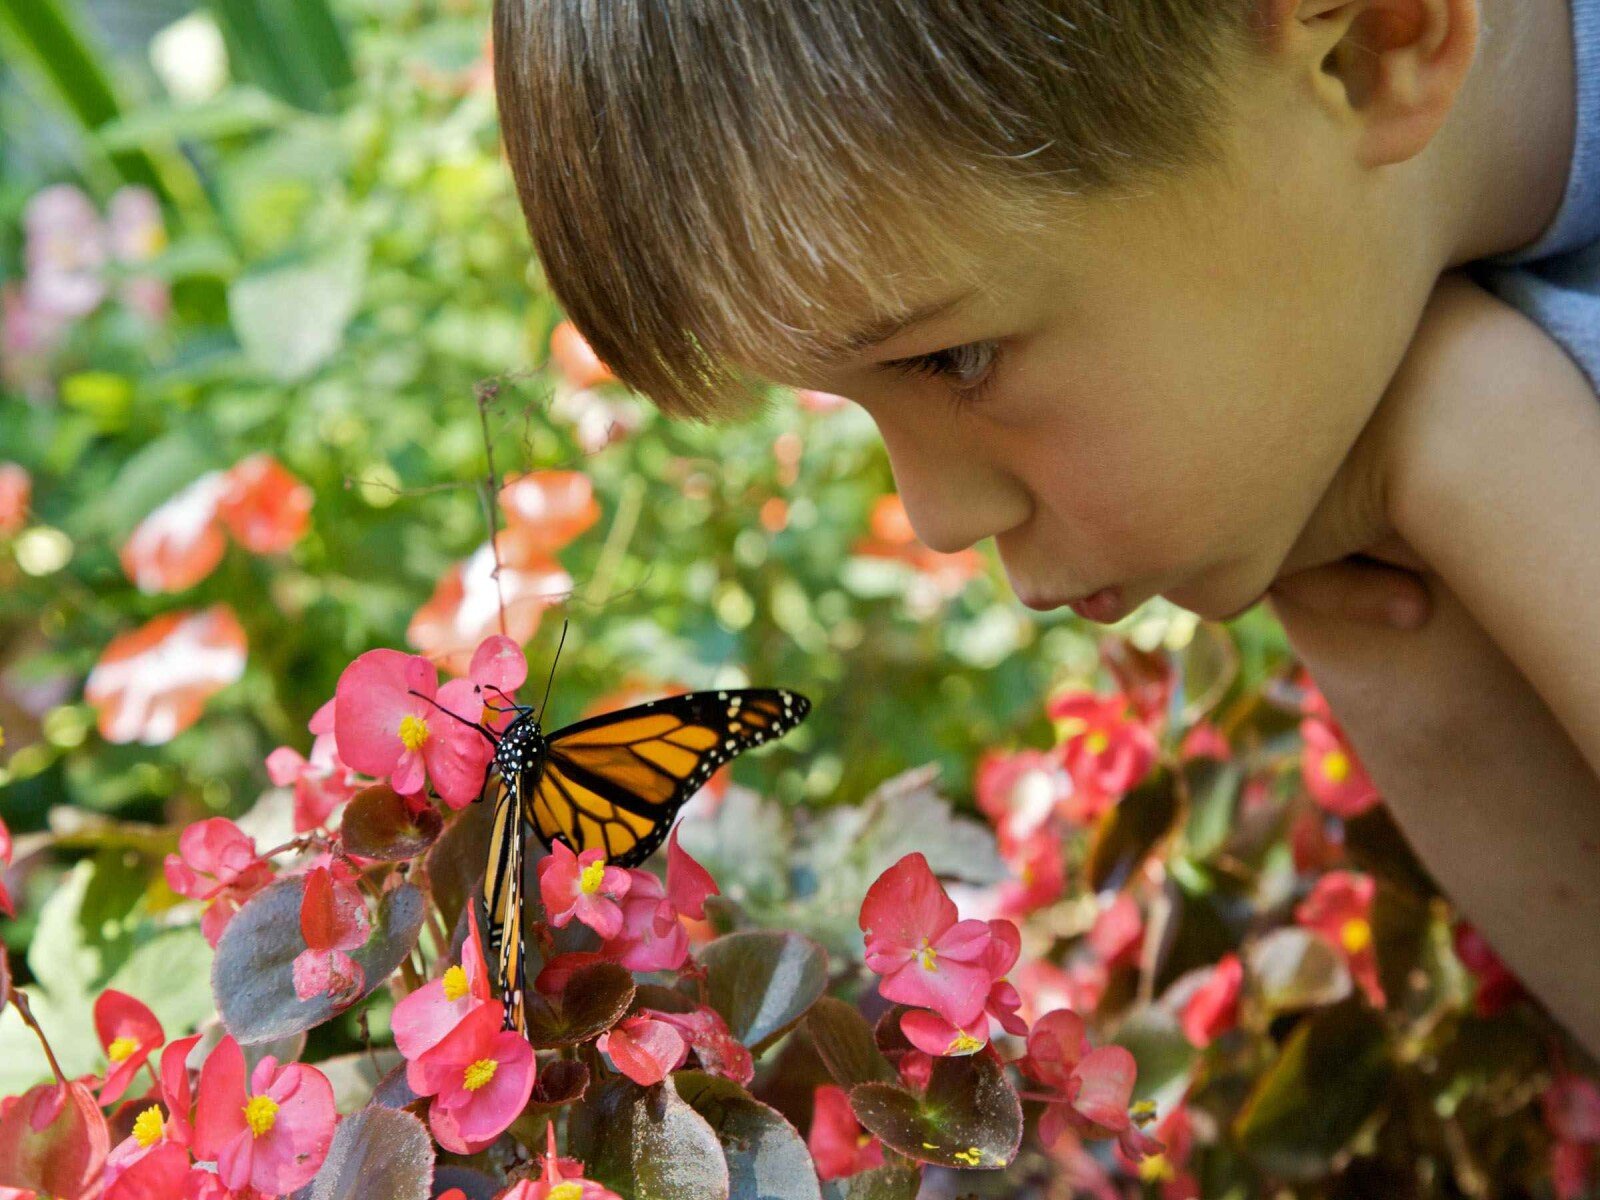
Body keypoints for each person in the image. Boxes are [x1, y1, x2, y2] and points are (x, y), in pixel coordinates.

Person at [491, 0, 1600, 1054]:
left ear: (1372, 45)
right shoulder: (1337, 326)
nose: (936, 518)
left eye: (956, 358)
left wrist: (1479, 441)